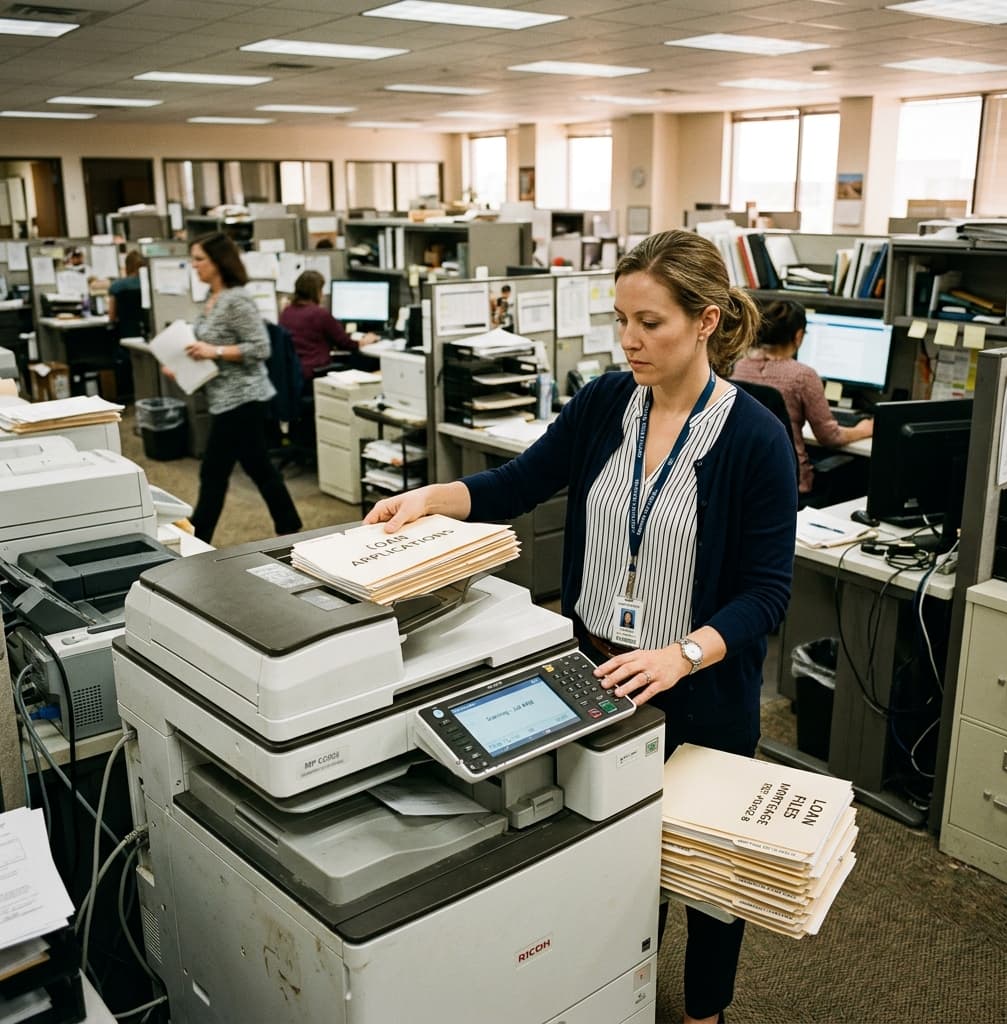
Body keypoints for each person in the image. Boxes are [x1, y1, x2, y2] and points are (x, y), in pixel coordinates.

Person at [365, 229, 797, 1024]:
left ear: (705, 322)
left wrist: (683, 654)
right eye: (621, 320)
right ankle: (617, 993)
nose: (629, 340)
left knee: (705, 877)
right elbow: (519, 482)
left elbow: (767, 591)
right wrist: (432, 497)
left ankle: (705, 1013)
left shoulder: (754, 436)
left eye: (651, 323)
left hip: (698, 689)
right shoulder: (606, 402)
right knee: (610, 853)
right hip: (592, 670)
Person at [167, 231, 302, 544]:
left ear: (218, 262)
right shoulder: (210, 301)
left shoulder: (236, 300)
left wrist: (211, 351)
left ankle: (198, 538)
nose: (194, 265)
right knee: (258, 466)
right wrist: (183, 364)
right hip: (223, 395)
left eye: (199, 259)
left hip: (244, 397)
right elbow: (207, 346)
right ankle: (289, 525)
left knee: (213, 472)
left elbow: (259, 347)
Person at [731, 299, 873, 500]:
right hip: (788, 482)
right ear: (798, 336)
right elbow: (829, 436)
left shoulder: (740, 366)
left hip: (746, 479)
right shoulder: (802, 376)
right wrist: (864, 429)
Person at [279, 270, 378, 382]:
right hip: (315, 371)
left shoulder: (286, 312)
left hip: (294, 373)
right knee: (365, 366)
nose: (323, 295)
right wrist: (365, 341)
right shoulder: (319, 314)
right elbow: (346, 343)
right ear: (316, 292)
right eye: (321, 290)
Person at [108, 250, 147, 339]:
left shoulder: (116, 286)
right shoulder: (149, 284)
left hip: (125, 334)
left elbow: (112, 316)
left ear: (127, 266)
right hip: (146, 333)